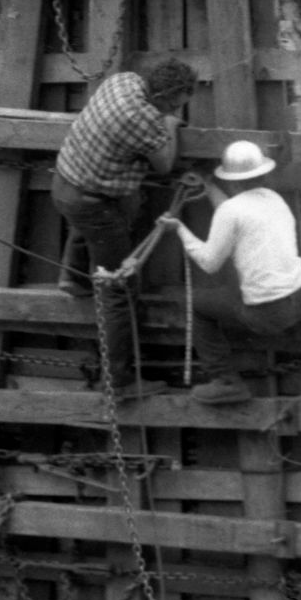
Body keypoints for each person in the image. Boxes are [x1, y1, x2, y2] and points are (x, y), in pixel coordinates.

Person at [158, 138, 301, 405]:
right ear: (263, 173)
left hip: (267, 315)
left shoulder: (231, 210)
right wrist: (210, 186)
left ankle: (226, 381)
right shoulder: (274, 199)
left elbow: (209, 262)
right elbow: (235, 212)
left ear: (232, 181)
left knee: (199, 307)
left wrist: (179, 229)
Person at [53, 55, 196, 396]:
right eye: (177, 104)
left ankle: (73, 278)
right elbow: (163, 164)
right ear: (164, 98)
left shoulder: (123, 81)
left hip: (65, 183)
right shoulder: (145, 117)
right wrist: (170, 126)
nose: (179, 109)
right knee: (118, 289)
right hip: (91, 203)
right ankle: (118, 381)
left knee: (106, 214)